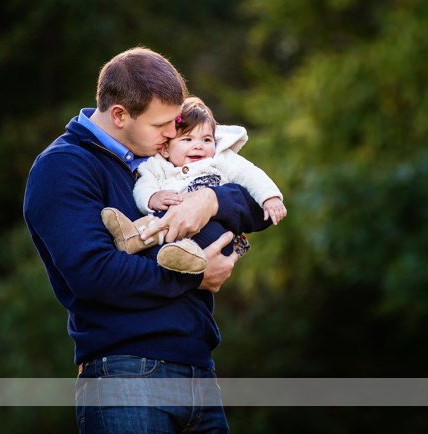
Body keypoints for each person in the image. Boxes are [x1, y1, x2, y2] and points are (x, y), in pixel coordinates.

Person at [23, 46, 270, 433]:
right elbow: (95, 275)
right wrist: (194, 276)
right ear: (120, 115)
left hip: (199, 373)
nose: (174, 135)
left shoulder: (159, 157)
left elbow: (257, 206)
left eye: (175, 123)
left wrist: (209, 200)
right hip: (127, 376)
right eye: (161, 127)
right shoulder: (64, 166)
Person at [102, 96, 287, 274]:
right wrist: (152, 198)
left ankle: (180, 254)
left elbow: (250, 174)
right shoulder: (158, 166)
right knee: (158, 221)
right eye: (187, 139)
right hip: (169, 233)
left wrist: (270, 197)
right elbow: (143, 185)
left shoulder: (221, 159)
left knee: (208, 233)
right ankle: (132, 236)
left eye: (207, 140)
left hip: (213, 234)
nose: (198, 146)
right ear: (166, 148)